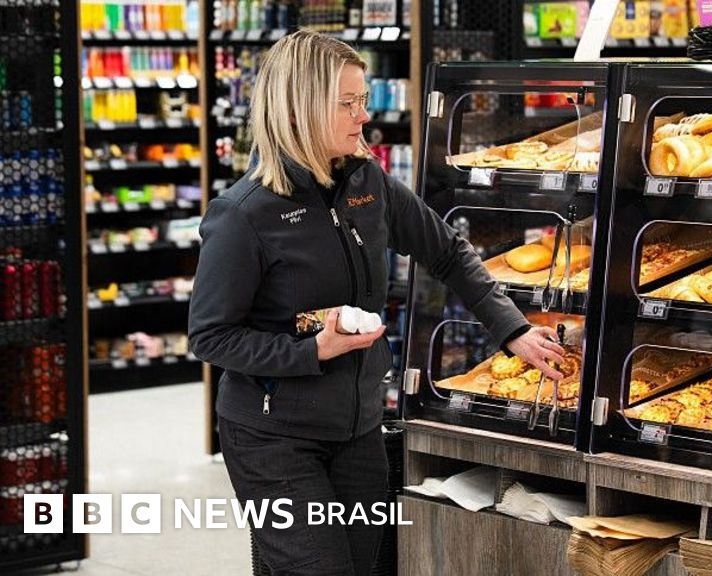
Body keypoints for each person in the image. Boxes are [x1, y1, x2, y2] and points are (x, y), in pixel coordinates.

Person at [187, 30, 565, 576]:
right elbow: (209, 337)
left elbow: (448, 251)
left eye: (362, 100)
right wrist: (312, 351)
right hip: (273, 439)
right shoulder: (244, 214)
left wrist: (512, 330)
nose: (362, 115)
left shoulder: (368, 183)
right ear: (299, 108)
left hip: (358, 425)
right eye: (346, 103)